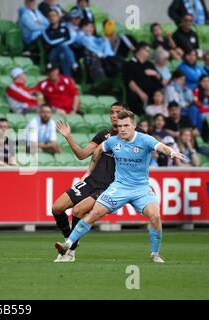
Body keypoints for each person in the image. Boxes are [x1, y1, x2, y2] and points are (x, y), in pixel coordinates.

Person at [55, 111, 186, 263]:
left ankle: (155, 254)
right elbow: (98, 150)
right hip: (119, 187)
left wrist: (172, 153)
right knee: (93, 214)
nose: (122, 129)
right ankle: (68, 246)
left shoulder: (144, 139)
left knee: (155, 216)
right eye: (120, 126)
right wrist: (90, 171)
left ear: (134, 126)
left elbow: (161, 147)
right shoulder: (113, 141)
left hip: (141, 189)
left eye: (126, 126)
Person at [52, 102, 130, 262]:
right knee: (57, 208)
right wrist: (68, 136)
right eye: (112, 112)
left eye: (118, 112)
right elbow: (81, 155)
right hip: (91, 181)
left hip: (109, 187)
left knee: (78, 211)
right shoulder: (104, 135)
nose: (114, 115)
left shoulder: (134, 136)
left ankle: (69, 252)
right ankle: (72, 241)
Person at [122, 42, 164, 115]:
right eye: (147, 51)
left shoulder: (149, 64)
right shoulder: (130, 64)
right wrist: (141, 93)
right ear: (141, 50)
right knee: (133, 97)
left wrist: (155, 73)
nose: (149, 53)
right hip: (139, 93)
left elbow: (160, 78)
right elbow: (130, 82)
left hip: (154, 93)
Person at [42, 9, 80, 77]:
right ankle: (73, 64)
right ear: (47, 18)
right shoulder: (46, 31)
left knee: (62, 55)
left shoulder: (65, 28)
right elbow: (51, 42)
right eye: (50, 16)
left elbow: (71, 39)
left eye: (54, 15)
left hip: (64, 52)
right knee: (62, 46)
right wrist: (63, 39)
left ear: (58, 17)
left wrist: (62, 42)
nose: (52, 18)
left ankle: (67, 78)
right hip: (53, 54)